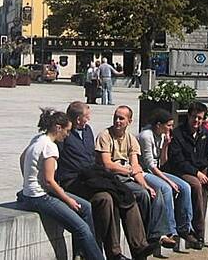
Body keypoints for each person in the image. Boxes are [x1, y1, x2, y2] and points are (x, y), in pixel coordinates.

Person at [55, 101, 152, 260]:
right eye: (86, 116)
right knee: (106, 198)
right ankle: (114, 253)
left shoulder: (87, 131)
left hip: (92, 177)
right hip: (73, 181)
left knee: (124, 194)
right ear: (78, 119)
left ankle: (139, 247)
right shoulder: (65, 134)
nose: (89, 119)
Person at [17, 108, 103, 260]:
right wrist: (68, 200)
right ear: (58, 128)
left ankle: (82, 253)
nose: (68, 135)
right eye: (67, 131)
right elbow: (50, 181)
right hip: (40, 197)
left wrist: (27, 182)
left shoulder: (38, 139)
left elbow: (22, 158)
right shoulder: (50, 147)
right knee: (82, 229)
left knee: (86, 207)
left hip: (33, 193)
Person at [95, 106, 173, 249]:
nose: (117, 121)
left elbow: (136, 167)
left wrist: (146, 185)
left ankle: (156, 234)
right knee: (141, 194)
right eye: (116, 117)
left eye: (121, 118)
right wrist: (128, 169)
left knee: (152, 193)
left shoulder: (130, 139)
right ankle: (150, 235)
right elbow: (107, 164)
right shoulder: (105, 136)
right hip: (111, 178)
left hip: (127, 177)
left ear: (129, 121)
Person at [165, 101, 208, 253]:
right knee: (196, 186)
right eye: (193, 117)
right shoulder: (178, 134)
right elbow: (177, 160)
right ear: (188, 116)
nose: (196, 121)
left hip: (204, 171)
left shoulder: (206, 134)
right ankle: (199, 234)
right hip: (184, 171)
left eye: (199, 118)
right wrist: (196, 173)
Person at [137, 109, 201, 250]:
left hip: (157, 170)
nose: (171, 128)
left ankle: (185, 228)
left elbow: (163, 162)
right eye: (169, 125)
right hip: (144, 172)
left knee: (185, 187)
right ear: (159, 125)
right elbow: (150, 165)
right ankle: (170, 231)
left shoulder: (162, 135)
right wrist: (169, 181)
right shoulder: (146, 136)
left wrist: (166, 145)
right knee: (166, 188)